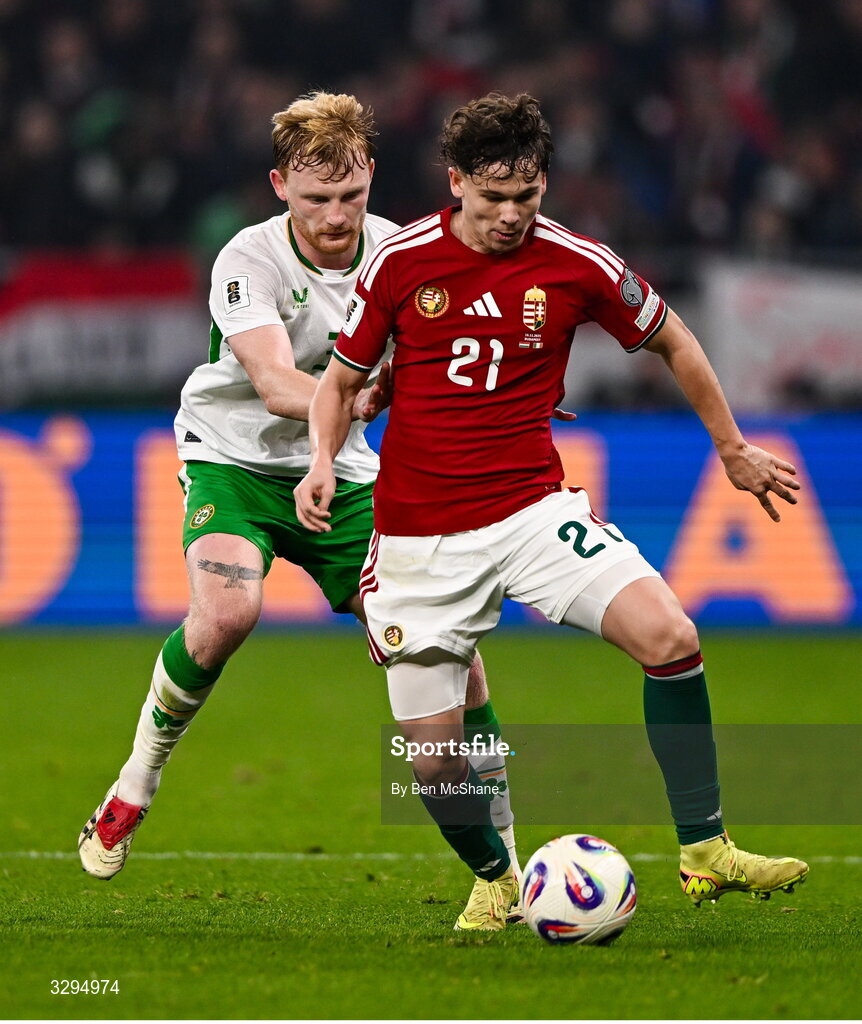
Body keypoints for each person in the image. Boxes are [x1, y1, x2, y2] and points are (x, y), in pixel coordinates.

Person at [295, 92, 810, 931]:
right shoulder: (400, 263)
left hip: (531, 507)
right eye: (491, 198)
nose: (508, 216)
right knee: (430, 764)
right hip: (419, 535)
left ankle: (706, 846)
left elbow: (674, 336)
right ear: (455, 182)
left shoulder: (577, 262)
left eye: (526, 198)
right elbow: (340, 383)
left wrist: (733, 448)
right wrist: (321, 461)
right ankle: (497, 876)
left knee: (672, 638)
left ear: (545, 186)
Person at [78, 92, 520, 902]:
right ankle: (134, 785)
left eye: (351, 196)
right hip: (234, 460)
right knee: (225, 616)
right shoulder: (248, 261)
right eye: (316, 199)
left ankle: (506, 869)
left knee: (458, 662)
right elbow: (279, 382)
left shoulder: (397, 252)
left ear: (372, 179)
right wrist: (369, 392)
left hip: (345, 475)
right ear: (280, 186)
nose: (335, 217)